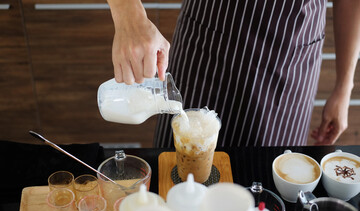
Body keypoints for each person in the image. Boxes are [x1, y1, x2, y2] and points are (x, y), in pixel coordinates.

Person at [106, 0, 360, 147]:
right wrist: (128, 15)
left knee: (267, 196)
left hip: (292, 58)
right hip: (211, 43)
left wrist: (344, 87)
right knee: (176, 180)